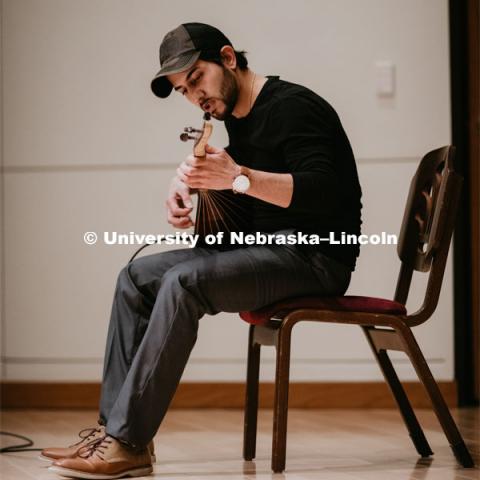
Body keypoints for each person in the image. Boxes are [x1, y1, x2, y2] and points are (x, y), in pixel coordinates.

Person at [43, 22, 362, 479]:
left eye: (197, 79)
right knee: (135, 278)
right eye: (182, 90)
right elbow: (240, 178)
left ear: (228, 59)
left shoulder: (295, 107)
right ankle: (112, 433)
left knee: (182, 282)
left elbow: (324, 192)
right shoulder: (238, 117)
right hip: (266, 250)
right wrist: (186, 186)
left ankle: (128, 442)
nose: (194, 96)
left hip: (315, 257)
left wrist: (238, 177)